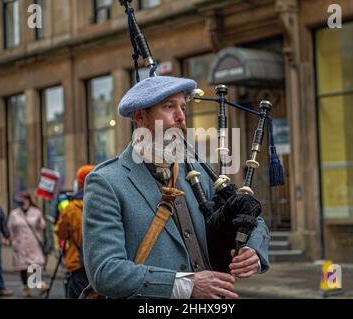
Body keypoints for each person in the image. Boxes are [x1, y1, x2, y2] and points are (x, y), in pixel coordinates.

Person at [83, 76, 270, 299]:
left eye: (183, 107)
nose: (181, 116)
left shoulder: (196, 171)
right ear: (140, 116)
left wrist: (253, 251)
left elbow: (247, 215)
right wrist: (187, 285)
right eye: (169, 106)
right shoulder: (107, 181)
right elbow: (106, 272)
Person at [55, 165, 95, 299]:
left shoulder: (71, 208)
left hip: (77, 262)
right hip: (99, 262)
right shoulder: (104, 202)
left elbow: (61, 233)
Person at [7, 192, 49, 297]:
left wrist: (40, 219)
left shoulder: (36, 212)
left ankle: (39, 285)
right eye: (21, 201)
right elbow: (10, 229)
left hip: (33, 243)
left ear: (29, 201)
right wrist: (9, 239)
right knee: (23, 267)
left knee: (35, 265)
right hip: (20, 244)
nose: (23, 203)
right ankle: (26, 287)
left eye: (25, 200)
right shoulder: (14, 214)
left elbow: (43, 226)